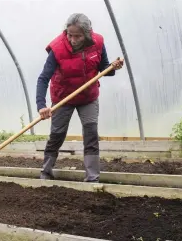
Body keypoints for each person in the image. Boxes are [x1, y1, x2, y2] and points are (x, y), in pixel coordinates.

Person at [36, 13, 124, 182]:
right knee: (57, 135)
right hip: (63, 98)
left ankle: (92, 178)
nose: (73, 39)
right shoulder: (57, 49)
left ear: (87, 33)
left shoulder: (97, 43)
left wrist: (113, 67)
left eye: (78, 36)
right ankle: (46, 171)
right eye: (70, 35)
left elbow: (104, 69)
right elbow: (43, 78)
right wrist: (41, 105)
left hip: (88, 97)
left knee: (91, 134)